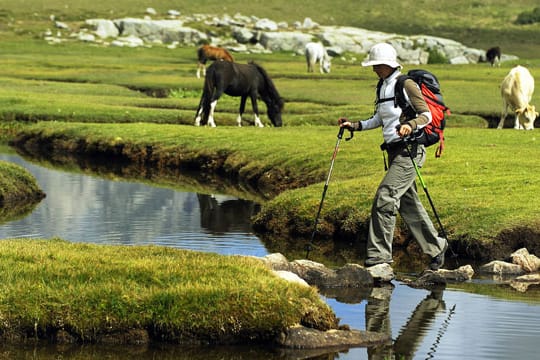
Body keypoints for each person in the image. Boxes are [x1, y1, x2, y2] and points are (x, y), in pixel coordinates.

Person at [339, 42, 448, 270]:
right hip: (394, 152)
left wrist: (410, 124)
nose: (373, 69)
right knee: (408, 204)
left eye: (376, 65)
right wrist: (354, 126)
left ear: (387, 64)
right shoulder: (382, 86)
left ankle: (379, 258)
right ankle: (436, 248)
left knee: (385, 197)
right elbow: (379, 119)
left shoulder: (405, 84)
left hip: (410, 151)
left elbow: (426, 116)